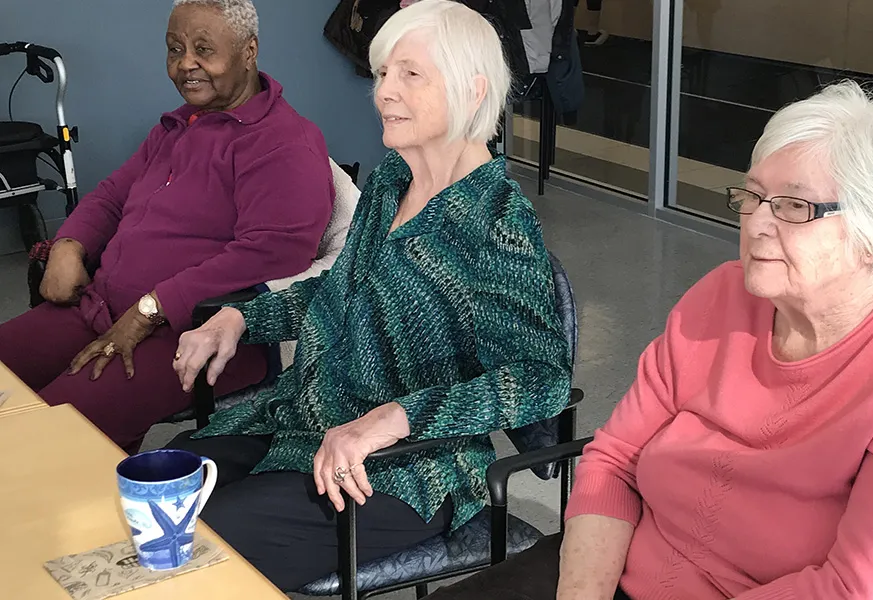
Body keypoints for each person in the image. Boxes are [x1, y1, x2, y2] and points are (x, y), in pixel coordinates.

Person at [424, 81, 873, 600]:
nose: (757, 223)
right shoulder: (722, 293)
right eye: (753, 196)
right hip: (608, 570)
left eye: (793, 207)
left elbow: (854, 587)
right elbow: (613, 460)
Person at [166, 0, 572, 591]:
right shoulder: (389, 183)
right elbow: (341, 296)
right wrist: (239, 318)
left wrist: (393, 419)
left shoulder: (497, 222)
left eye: (411, 74)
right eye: (383, 73)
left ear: (473, 90)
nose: (384, 92)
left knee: (207, 550)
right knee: (164, 483)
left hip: (406, 470)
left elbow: (542, 378)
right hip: (307, 419)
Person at [0, 0, 334, 452]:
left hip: (197, 333)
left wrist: (150, 308)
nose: (185, 65)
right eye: (174, 49)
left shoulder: (284, 141)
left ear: (248, 51)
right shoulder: (178, 126)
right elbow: (113, 195)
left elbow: (274, 251)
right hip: (100, 307)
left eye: (203, 49)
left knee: (44, 439)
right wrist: (68, 246)